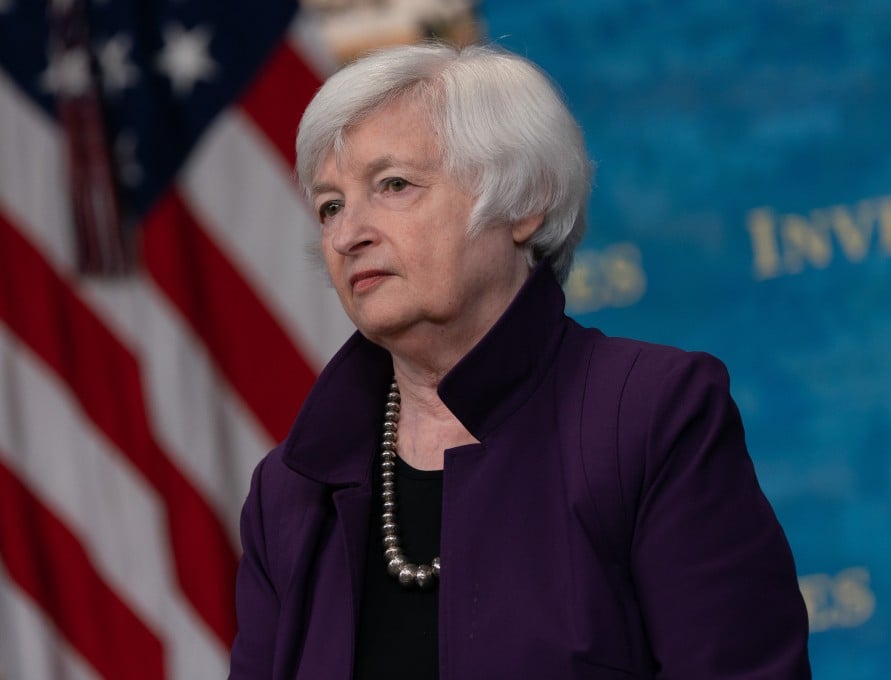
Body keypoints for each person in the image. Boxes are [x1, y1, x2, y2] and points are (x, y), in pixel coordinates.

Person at [229, 42, 810, 679]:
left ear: (523, 202)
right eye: (330, 206)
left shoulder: (653, 414)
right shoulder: (289, 490)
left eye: (393, 185)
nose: (347, 235)